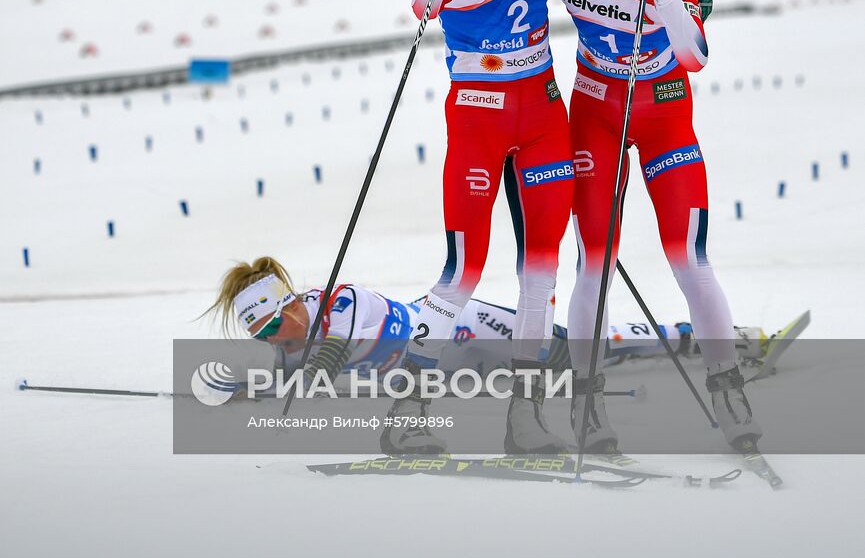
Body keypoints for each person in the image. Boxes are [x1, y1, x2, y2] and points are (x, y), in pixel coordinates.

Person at [551, 0, 761, 452]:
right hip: (596, 117)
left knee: (688, 257)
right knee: (594, 262)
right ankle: (587, 402)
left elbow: (694, 57)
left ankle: (727, 388)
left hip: (665, 116)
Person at [393, 0, 581, 455]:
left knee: (541, 277)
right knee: (462, 274)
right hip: (479, 117)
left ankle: (525, 418)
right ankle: (408, 408)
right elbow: (423, 3)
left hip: (545, 116)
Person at [206, 257, 783, 386]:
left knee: (588, 348)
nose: (274, 338)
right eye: (260, 335)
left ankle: (715, 338)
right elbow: (287, 376)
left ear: (292, 304)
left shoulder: (339, 301)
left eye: (274, 325)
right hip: (450, 376)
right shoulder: (285, 341)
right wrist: (244, 386)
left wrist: (300, 379)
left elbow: (329, 356)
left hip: (468, 330)